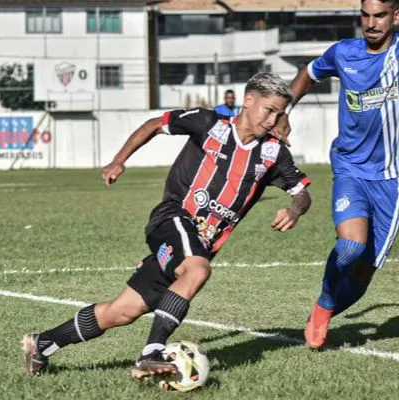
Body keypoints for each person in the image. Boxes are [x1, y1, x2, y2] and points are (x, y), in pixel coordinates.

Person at [22, 72, 312, 377]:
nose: (273, 120)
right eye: (269, 110)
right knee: (197, 270)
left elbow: (302, 192)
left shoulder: (273, 153)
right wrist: (119, 160)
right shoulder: (208, 124)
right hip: (172, 218)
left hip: (198, 244)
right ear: (248, 101)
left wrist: (295, 209)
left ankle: (43, 343)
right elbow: (154, 125)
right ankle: (151, 352)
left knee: (122, 311)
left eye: (279, 113)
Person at [274, 0, 399, 349]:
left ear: (396, 16)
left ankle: (323, 312)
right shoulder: (343, 52)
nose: (372, 23)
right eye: (366, 15)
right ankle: (324, 304)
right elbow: (309, 72)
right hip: (350, 166)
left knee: (364, 269)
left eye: (380, 15)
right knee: (351, 245)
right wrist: (283, 109)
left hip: (393, 177)